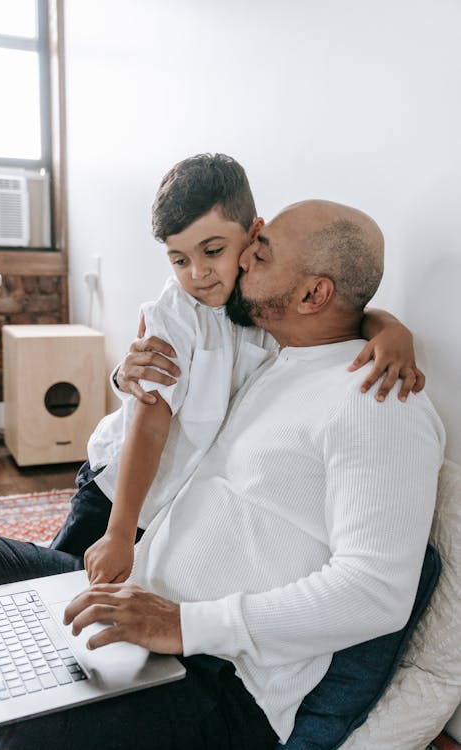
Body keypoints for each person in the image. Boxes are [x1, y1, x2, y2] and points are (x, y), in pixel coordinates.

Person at [0, 198, 444, 749]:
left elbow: (376, 593)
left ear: (313, 294)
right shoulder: (275, 359)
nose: (239, 264)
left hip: (213, 679)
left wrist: (182, 624)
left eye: (259, 256)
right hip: (129, 607)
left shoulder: (378, 401)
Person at [51, 154, 425, 586]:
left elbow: (342, 311)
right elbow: (150, 423)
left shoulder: (268, 304)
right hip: (119, 491)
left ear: (253, 235)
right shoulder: (178, 311)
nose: (197, 274)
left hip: (175, 498)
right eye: (178, 259)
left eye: (213, 251)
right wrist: (118, 530)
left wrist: (392, 329)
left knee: (113, 594)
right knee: (54, 586)